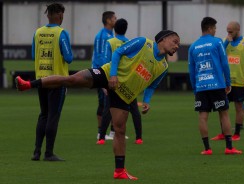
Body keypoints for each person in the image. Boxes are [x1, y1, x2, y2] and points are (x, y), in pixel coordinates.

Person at [16, 30, 180, 180]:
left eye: (178, 44)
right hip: (107, 75)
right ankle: (28, 84)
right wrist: (113, 75)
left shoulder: (163, 66)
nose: (176, 46)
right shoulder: (144, 43)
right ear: (163, 39)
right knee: (71, 80)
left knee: (120, 131)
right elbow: (118, 52)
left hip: (124, 95)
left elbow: (151, 85)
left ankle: (119, 171)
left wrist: (147, 101)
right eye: (174, 41)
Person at [188, 17, 242, 155]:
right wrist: (228, 82)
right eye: (215, 28)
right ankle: (229, 147)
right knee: (224, 114)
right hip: (217, 85)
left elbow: (192, 70)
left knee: (203, 116)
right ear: (210, 28)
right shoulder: (217, 42)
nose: (215, 31)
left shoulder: (193, 46)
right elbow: (224, 64)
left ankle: (207, 149)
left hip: (201, 86)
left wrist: (195, 88)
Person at [30, 3, 73, 161]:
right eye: (62, 15)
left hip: (41, 80)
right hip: (57, 81)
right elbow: (69, 58)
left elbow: (34, 55)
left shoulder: (37, 32)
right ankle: (49, 153)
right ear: (59, 15)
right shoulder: (61, 33)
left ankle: (36, 152)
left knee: (43, 115)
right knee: (53, 116)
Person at [97, 18, 143, 145]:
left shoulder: (110, 42)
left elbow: (106, 62)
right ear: (126, 29)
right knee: (134, 109)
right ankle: (139, 137)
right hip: (127, 81)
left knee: (108, 108)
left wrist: (104, 82)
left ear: (115, 28)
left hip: (113, 79)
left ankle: (101, 138)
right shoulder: (130, 42)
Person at [211, 21, 244, 141]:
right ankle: (223, 133)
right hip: (225, 82)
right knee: (221, 107)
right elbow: (218, 54)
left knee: (239, 107)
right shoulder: (225, 42)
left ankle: (237, 134)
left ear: (238, 29)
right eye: (227, 31)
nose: (229, 33)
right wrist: (226, 42)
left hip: (240, 82)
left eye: (231, 31)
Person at [91, 11, 117, 139]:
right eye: (114, 18)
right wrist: (103, 78)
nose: (116, 20)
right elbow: (100, 57)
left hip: (108, 72)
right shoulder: (103, 36)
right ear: (108, 20)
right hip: (102, 73)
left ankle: (113, 132)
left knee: (111, 102)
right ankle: (100, 132)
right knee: (103, 103)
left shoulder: (109, 34)